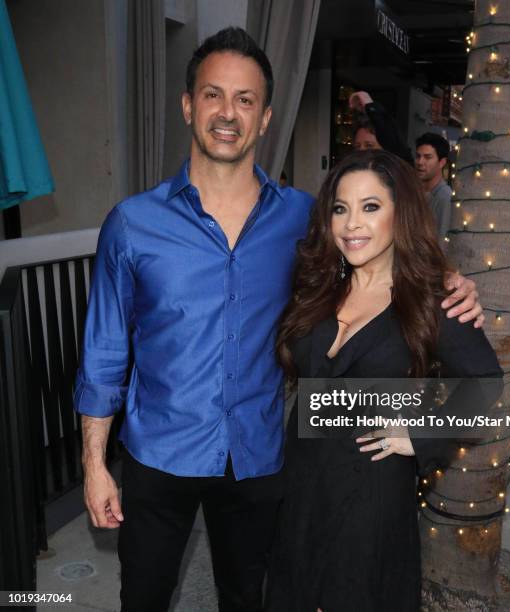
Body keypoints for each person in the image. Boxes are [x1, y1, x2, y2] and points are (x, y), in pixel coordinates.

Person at [74, 27, 483, 612]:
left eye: (246, 100)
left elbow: (376, 245)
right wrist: (94, 464)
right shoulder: (132, 225)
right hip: (158, 455)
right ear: (188, 105)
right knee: (143, 597)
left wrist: (447, 282)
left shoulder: (305, 219)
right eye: (213, 95)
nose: (228, 113)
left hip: (260, 456)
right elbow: (104, 354)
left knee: (249, 598)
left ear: (265, 117)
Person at [266, 149, 502, 611]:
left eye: (370, 207)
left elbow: (486, 381)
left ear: (402, 214)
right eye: (341, 208)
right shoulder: (319, 285)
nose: (352, 223)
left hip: (369, 498)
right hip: (300, 486)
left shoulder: (432, 300)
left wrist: (420, 432)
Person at [349, 90, 414, 164]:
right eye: (357, 146)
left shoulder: (393, 172)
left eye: (369, 146)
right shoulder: (350, 172)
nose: (362, 150)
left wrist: (369, 105)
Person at [415, 132, 453, 242]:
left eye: (428, 157)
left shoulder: (445, 197)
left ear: (442, 162)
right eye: (418, 156)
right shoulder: (415, 192)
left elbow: (442, 243)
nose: (420, 162)